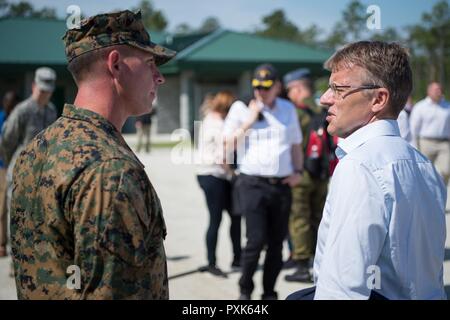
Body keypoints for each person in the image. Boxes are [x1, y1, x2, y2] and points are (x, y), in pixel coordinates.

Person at [10, 10, 176, 299]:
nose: (158, 77)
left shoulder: (38, 147)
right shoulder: (111, 170)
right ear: (116, 65)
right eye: (149, 63)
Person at [288, 41, 447, 300]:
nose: (325, 99)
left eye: (338, 89)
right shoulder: (424, 166)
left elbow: (342, 290)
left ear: (378, 99)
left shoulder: (359, 166)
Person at [224, 64, 304, 300]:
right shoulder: (240, 109)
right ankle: (245, 289)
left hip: (281, 185)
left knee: (277, 244)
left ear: (277, 87)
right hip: (252, 183)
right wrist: (248, 121)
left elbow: (295, 145)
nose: (261, 92)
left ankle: (269, 292)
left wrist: (298, 170)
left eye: (267, 88)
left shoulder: (288, 108)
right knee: (256, 240)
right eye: (257, 87)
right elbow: (227, 145)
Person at [282, 68, 335, 283]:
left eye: (290, 90)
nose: (289, 94)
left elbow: (291, 144)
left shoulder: (296, 112)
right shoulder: (323, 108)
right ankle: (317, 260)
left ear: (298, 88)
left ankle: (302, 264)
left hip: (301, 173)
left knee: (299, 220)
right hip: (321, 173)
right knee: (318, 218)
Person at [0, 68, 57, 213]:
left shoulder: (51, 111)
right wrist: (11, 164)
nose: (45, 95)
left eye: (48, 91)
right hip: (20, 174)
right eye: (42, 90)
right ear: (33, 86)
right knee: (16, 220)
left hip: (42, 176)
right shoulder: (22, 110)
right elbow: (7, 141)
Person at [196, 91, 241, 276]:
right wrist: (233, 174)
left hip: (208, 174)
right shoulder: (219, 124)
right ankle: (213, 262)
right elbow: (222, 156)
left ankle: (235, 257)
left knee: (231, 217)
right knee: (220, 219)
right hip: (214, 175)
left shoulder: (208, 119)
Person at [410, 82, 450, 185]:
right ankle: (427, 193)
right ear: (429, 91)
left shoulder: (447, 106)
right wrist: (415, 145)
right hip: (426, 142)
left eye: (440, 90)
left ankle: (441, 192)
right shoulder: (420, 107)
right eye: (436, 90)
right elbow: (414, 128)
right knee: (424, 171)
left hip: (444, 143)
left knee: (446, 170)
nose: (439, 92)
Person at [0, 91, 19, 257]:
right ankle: (2, 243)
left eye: (12, 102)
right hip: (2, 165)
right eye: (8, 102)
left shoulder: (19, 117)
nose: (10, 105)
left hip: (10, 166)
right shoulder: (1, 118)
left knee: (8, 205)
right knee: (1, 208)